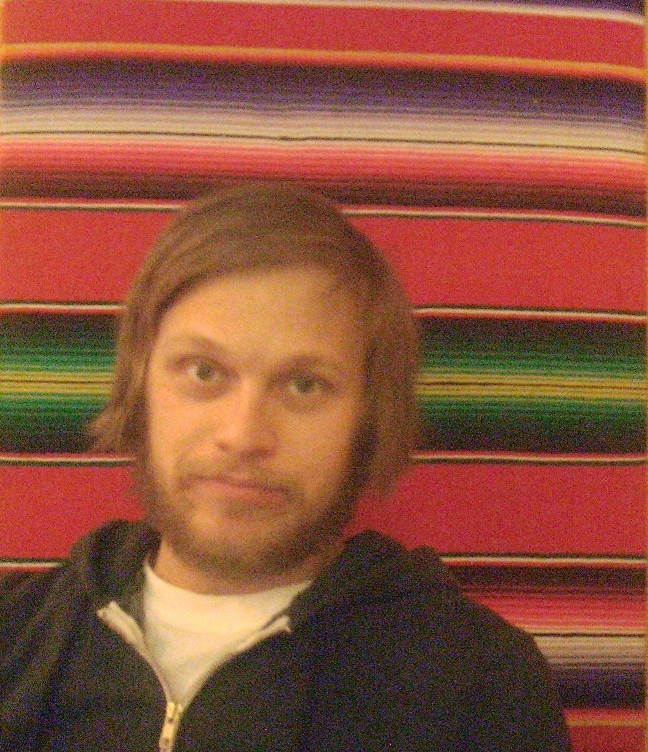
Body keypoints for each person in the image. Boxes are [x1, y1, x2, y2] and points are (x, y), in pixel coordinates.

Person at [0, 182, 571, 751]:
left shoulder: (483, 685)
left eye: (304, 385)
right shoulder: (15, 633)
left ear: (370, 419)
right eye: (203, 372)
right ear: (139, 385)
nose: (244, 435)